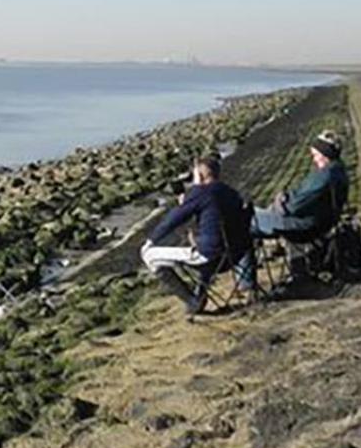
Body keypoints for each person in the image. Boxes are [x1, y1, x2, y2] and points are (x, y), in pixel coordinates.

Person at [140, 156, 252, 318]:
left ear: (200, 175)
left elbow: (174, 219)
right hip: (235, 255)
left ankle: (193, 301)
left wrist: (151, 240)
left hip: (210, 258)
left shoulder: (200, 192)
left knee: (148, 255)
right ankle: (200, 294)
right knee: (204, 240)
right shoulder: (232, 193)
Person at [253, 130, 350, 239]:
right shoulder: (339, 169)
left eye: (315, 155)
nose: (314, 160)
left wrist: (278, 205)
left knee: (249, 220)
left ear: (325, 154)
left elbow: (294, 206)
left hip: (307, 226)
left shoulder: (324, 176)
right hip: (322, 223)